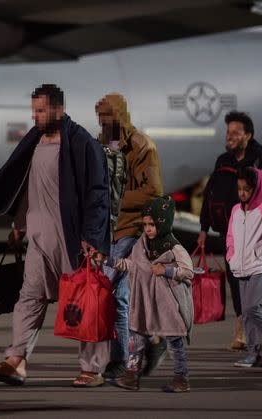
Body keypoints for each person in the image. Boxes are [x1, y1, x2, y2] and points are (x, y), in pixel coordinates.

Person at [0, 84, 111, 388]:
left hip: (74, 240)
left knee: (84, 300)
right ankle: (16, 361)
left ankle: (93, 368)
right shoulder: (34, 141)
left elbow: (98, 194)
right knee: (29, 298)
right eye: (33, 110)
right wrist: (19, 225)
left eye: (41, 110)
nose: (35, 116)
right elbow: (26, 185)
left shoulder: (81, 143)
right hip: (38, 238)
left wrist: (94, 237)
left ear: (58, 110)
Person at [198, 111, 262, 351]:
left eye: (236, 133)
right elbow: (209, 195)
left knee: (251, 286)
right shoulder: (223, 161)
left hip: (256, 236)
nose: (230, 137)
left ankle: (258, 333)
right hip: (231, 234)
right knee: (236, 282)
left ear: (249, 135)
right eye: (228, 132)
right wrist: (204, 227)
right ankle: (243, 332)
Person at [95, 93, 164, 379]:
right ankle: (146, 344)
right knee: (119, 298)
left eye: (108, 115)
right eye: (100, 115)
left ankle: (121, 358)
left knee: (106, 287)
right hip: (109, 230)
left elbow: (153, 191)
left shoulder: (141, 146)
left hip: (131, 229)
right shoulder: (101, 143)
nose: (103, 121)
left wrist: (115, 199)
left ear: (121, 115)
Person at [106, 196, 193, 392]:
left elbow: (189, 271)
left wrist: (167, 271)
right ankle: (131, 376)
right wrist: (107, 260)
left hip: (168, 305)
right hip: (144, 302)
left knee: (174, 343)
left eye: (152, 224)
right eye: (145, 224)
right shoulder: (140, 245)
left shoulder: (174, 247)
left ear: (163, 223)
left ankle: (181, 378)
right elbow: (131, 265)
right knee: (136, 339)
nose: (148, 229)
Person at [226, 167, 262, 367]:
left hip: (259, 267)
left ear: (257, 189)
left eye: (247, 189)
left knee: (252, 308)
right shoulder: (235, 210)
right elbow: (230, 237)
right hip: (240, 267)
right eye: (239, 188)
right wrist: (230, 255)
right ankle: (253, 353)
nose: (242, 193)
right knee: (246, 312)